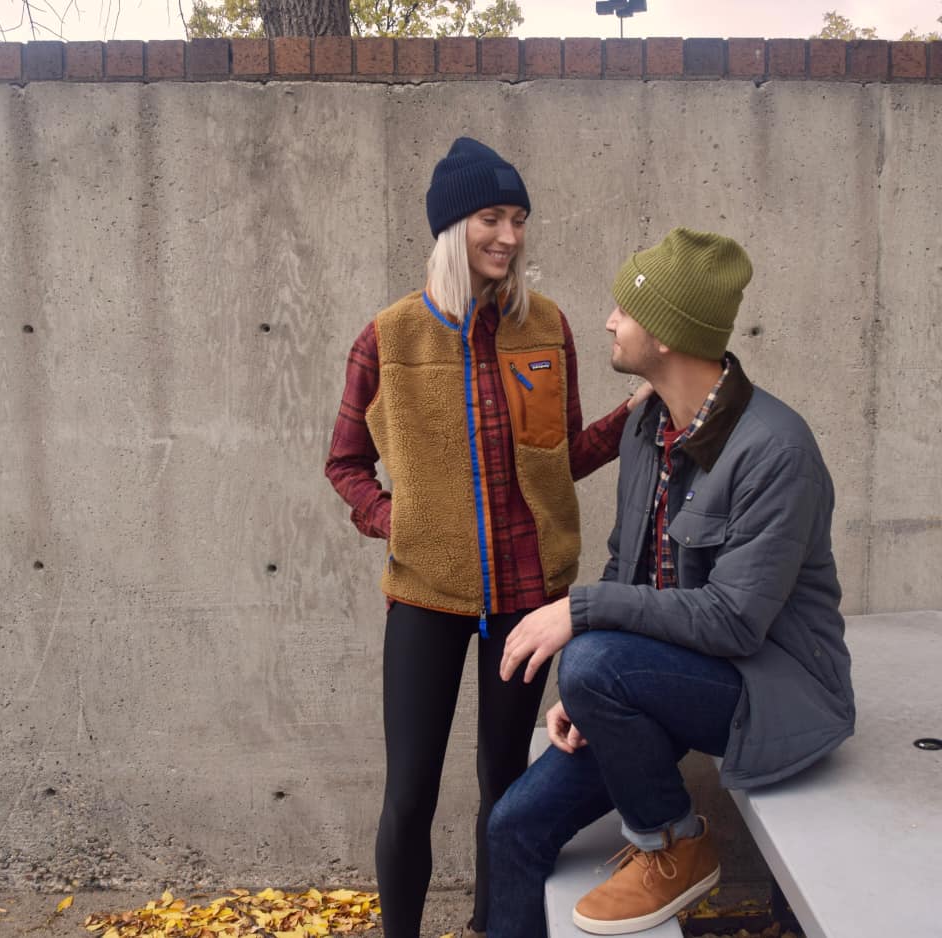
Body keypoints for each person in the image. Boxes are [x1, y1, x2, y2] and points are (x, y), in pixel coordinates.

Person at [487, 227, 856, 937]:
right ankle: (653, 813)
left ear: (665, 335)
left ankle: (675, 843)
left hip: (772, 689)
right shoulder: (647, 427)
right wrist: (587, 696)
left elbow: (734, 622)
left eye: (624, 309)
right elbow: (624, 566)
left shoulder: (777, 450)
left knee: (593, 656)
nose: (609, 321)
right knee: (512, 827)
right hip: (666, 678)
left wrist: (581, 621)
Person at [325, 138, 649, 938]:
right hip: (425, 594)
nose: (509, 235)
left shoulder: (546, 328)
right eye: (491, 218)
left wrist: (628, 419)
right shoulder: (389, 337)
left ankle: (490, 927)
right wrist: (397, 521)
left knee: (504, 779)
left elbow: (560, 456)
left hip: (527, 597)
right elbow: (345, 463)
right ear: (451, 227)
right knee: (410, 794)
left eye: (518, 219)